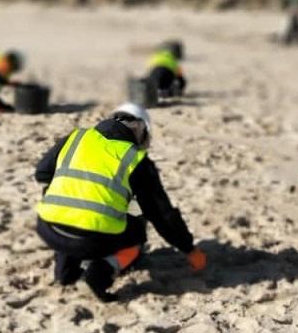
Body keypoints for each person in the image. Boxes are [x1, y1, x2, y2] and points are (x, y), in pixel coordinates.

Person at [34, 103, 206, 302]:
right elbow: (161, 214)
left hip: (48, 228)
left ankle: (65, 273)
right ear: (142, 130)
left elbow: (43, 172)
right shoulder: (136, 159)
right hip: (89, 241)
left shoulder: (78, 136)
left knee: (72, 215)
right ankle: (99, 275)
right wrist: (189, 249)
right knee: (137, 234)